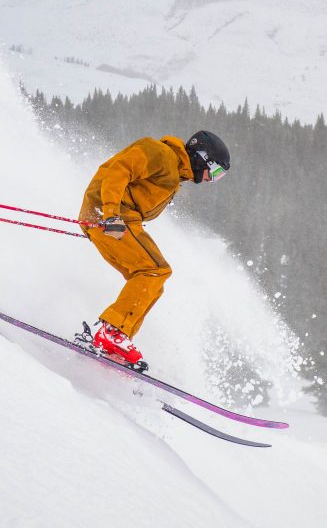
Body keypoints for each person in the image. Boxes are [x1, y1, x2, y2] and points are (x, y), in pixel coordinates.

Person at [76, 130, 230, 371]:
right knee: (154, 271)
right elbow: (119, 170)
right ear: (203, 158)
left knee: (152, 282)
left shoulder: (175, 173)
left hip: (112, 218)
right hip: (112, 216)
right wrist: (110, 214)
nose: (212, 180)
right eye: (216, 173)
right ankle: (111, 331)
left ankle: (115, 339)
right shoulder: (160, 153)